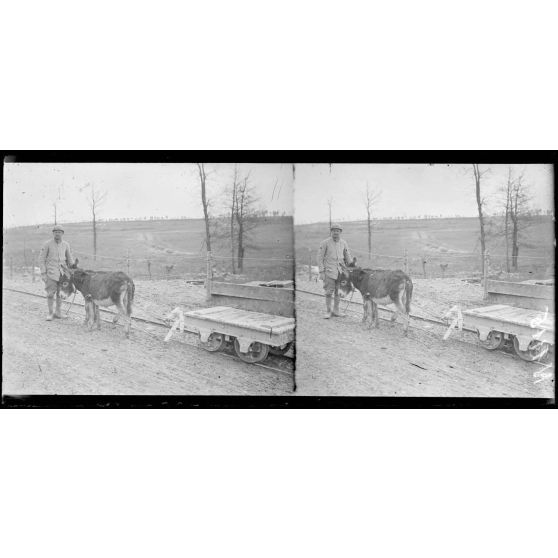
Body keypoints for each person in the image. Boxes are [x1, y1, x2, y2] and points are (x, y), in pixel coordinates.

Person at [38, 225, 75, 321]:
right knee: (50, 294)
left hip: (63, 274)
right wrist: (43, 273)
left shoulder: (66, 245)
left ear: (62, 233)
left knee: (60, 294)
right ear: (53, 233)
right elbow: (41, 259)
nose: (57, 234)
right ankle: (50, 313)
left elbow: (70, 259)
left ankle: (58, 312)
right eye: (55, 232)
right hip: (51, 273)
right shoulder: (47, 244)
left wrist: (74, 269)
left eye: (59, 232)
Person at [317, 223, 353, 319]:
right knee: (329, 292)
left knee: (338, 292)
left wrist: (353, 267)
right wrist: (321, 272)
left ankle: (336, 311)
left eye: (338, 231)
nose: (336, 233)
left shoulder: (343, 243)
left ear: (340, 232)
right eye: (334, 231)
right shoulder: (325, 243)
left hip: (341, 272)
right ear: (331, 232)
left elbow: (348, 256)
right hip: (329, 272)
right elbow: (319, 258)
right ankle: (329, 311)